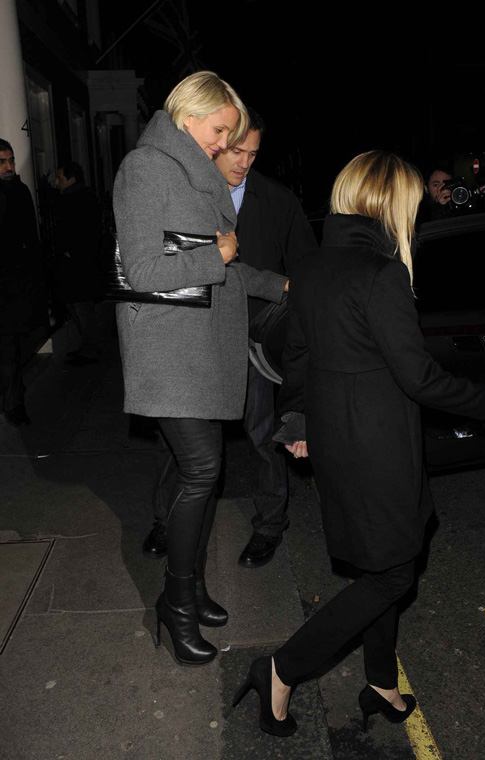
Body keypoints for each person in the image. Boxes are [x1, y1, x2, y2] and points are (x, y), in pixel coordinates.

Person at [229, 151, 485, 736]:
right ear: (391, 203)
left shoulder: (312, 266)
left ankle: (381, 683)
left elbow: (299, 359)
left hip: (340, 438)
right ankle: (280, 668)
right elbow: (417, 376)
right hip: (378, 446)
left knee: (391, 560)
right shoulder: (383, 273)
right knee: (391, 574)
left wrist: (298, 424)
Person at [113, 71, 288, 665]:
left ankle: (193, 588)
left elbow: (227, 269)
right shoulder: (146, 168)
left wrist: (285, 285)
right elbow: (143, 271)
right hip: (169, 352)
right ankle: (174, 603)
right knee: (201, 469)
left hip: (200, 350)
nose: (223, 145)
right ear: (189, 116)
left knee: (205, 475)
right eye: (219, 132)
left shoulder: (186, 169)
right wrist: (216, 253)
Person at [143, 109, 317, 569]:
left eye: (253, 153)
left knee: (263, 434)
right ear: (216, 145)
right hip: (194, 331)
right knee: (179, 440)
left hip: (254, 336)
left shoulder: (277, 200)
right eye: (236, 150)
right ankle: (167, 519)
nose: (243, 161)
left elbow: (303, 264)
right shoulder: (182, 192)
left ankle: (268, 526)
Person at [0, 139, 45, 426]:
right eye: (3, 162)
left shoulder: (20, 191)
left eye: (11, 161)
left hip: (13, 286)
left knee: (9, 349)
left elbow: (30, 236)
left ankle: (13, 402)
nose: (9, 167)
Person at [54, 160, 102, 365]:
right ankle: (88, 346)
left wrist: (70, 251)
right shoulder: (83, 197)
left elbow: (81, 232)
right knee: (78, 306)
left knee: (81, 307)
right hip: (80, 264)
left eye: (60, 178)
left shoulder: (75, 199)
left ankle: (90, 349)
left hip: (78, 265)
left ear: (71, 179)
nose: (56, 182)